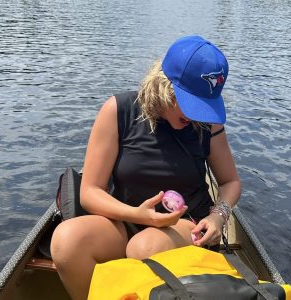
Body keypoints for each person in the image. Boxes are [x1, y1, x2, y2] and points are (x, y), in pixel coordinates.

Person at [50, 35, 241, 300]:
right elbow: (90, 192)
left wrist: (217, 217)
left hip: (186, 225)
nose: (198, 115)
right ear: (164, 85)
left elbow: (231, 182)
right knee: (67, 241)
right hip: (125, 219)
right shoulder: (119, 110)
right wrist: (139, 216)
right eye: (190, 103)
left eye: (204, 106)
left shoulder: (209, 125)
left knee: (145, 247)